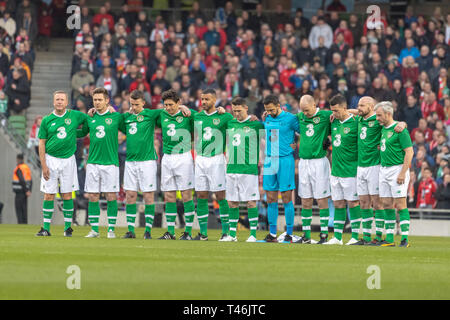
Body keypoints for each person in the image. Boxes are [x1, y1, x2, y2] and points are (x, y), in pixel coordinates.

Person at [121, 90, 191, 239]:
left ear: (143, 103)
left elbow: (179, 111)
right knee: (131, 195)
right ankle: (131, 231)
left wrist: (184, 107)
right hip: (132, 161)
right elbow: (115, 121)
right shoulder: (126, 117)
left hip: (150, 160)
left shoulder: (152, 114)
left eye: (137, 104)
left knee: (151, 196)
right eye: (131, 104)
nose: (134, 107)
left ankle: (149, 231)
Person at [36, 91, 88, 237]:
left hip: (68, 160)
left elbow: (88, 121)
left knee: (67, 194)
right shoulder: (47, 120)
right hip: (50, 159)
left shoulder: (75, 115)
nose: (59, 102)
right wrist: (44, 165)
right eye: (57, 99)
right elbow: (41, 143)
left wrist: (78, 133)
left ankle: (67, 228)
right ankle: (46, 228)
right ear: (53, 102)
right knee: (49, 195)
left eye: (62, 100)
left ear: (66, 102)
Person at [354, 96, 406, 245]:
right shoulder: (359, 119)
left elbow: (394, 124)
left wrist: (403, 123)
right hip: (361, 166)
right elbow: (353, 112)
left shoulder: (378, 121)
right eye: (358, 105)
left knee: (377, 203)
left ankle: (378, 236)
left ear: (371, 106)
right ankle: (366, 236)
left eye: (362, 105)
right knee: (363, 202)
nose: (359, 108)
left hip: (375, 165)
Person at [79, 87, 125, 239]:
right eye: (95, 100)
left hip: (110, 162)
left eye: (100, 100)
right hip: (93, 162)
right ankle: (94, 230)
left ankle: (111, 229)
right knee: (93, 196)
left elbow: (129, 128)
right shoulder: (90, 117)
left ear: (107, 101)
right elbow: (82, 132)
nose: (97, 102)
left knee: (111, 196)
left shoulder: (116, 116)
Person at [193, 89, 233, 241]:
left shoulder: (224, 116)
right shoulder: (197, 116)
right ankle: (203, 233)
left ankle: (225, 232)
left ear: (215, 100)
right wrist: (183, 107)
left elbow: (238, 124)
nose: (203, 102)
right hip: (201, 159)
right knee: (201, 195)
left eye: (207, 99)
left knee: (220, 195)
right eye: (202, 99)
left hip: (217, 159)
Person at [222, 97, 264, 242]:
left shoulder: (255, 124)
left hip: (248, 169)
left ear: (246, 108)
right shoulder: (230, 122)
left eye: (239, 111)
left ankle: (252, 234)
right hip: (232, 168)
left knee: (251, 202)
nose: (236, 114)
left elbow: (272, 134)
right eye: (234, 111)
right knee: (232, 202)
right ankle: (232, 235)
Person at [156, 89, 196, 240]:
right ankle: (171, 232)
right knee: (169, 195)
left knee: (186, 195)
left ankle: (188, 232)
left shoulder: (188, 114)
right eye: (165, 105)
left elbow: (203, 120)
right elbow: (142, 113)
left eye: (171, 105)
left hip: (183, 157)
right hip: (167, 157)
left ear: (178, 102)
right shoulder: (161, 114)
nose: (168, 108)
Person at [323, 95, 361, 245]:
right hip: (336, 170)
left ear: (345, 108)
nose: (334, 114)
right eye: (332, 110)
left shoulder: (356, 122)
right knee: (338, 203)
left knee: (353, 203)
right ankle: (337, 237)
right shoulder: (334, 122)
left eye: (337, 111)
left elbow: (371, 114)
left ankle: (355, 237)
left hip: (351, 170)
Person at [376, 101, 414, 247]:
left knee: (400, 204)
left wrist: (403, 173)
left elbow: (409, 152)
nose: (377, 118)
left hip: (397, 169)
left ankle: (405, 238)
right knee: (386, 204)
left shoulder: (400, 130)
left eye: (379, 115)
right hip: (383, 169)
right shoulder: (383, 129)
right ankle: (390, 239)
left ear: (388, 114)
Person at [261, 94, 299, 243]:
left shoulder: (290, 118)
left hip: (285, 160)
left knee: (286, 197)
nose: (269, 112)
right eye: (267, 110)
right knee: (270, 198)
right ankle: (272, 234)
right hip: (270, 160)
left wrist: (295, 146)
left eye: (271, 109)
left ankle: (289, 233)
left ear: (279, 106)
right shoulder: (267, 118)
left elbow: (303, 132)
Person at [295, 94, 332, 244]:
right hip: (304, 163)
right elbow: (284, 118)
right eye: (302, 110)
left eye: (307, 110)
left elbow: (344, 113)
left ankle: (324, 234)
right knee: (305, 200)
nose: (304, 113)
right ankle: (306, 235)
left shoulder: (325, 115)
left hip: (319, 162)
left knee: (321, 199)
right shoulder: (300, 117)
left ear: (314, 105)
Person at [12, 153, 32, 224]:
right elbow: (30, 180)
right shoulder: (26, 167)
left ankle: (20, 224)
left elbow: (21, 179)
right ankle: (25, 224)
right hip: (25, 193)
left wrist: (26, 190)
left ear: (18, 159)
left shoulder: (19, 168)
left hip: (19, 193)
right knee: (24, 210)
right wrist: (29, 190)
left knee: (19, 210)